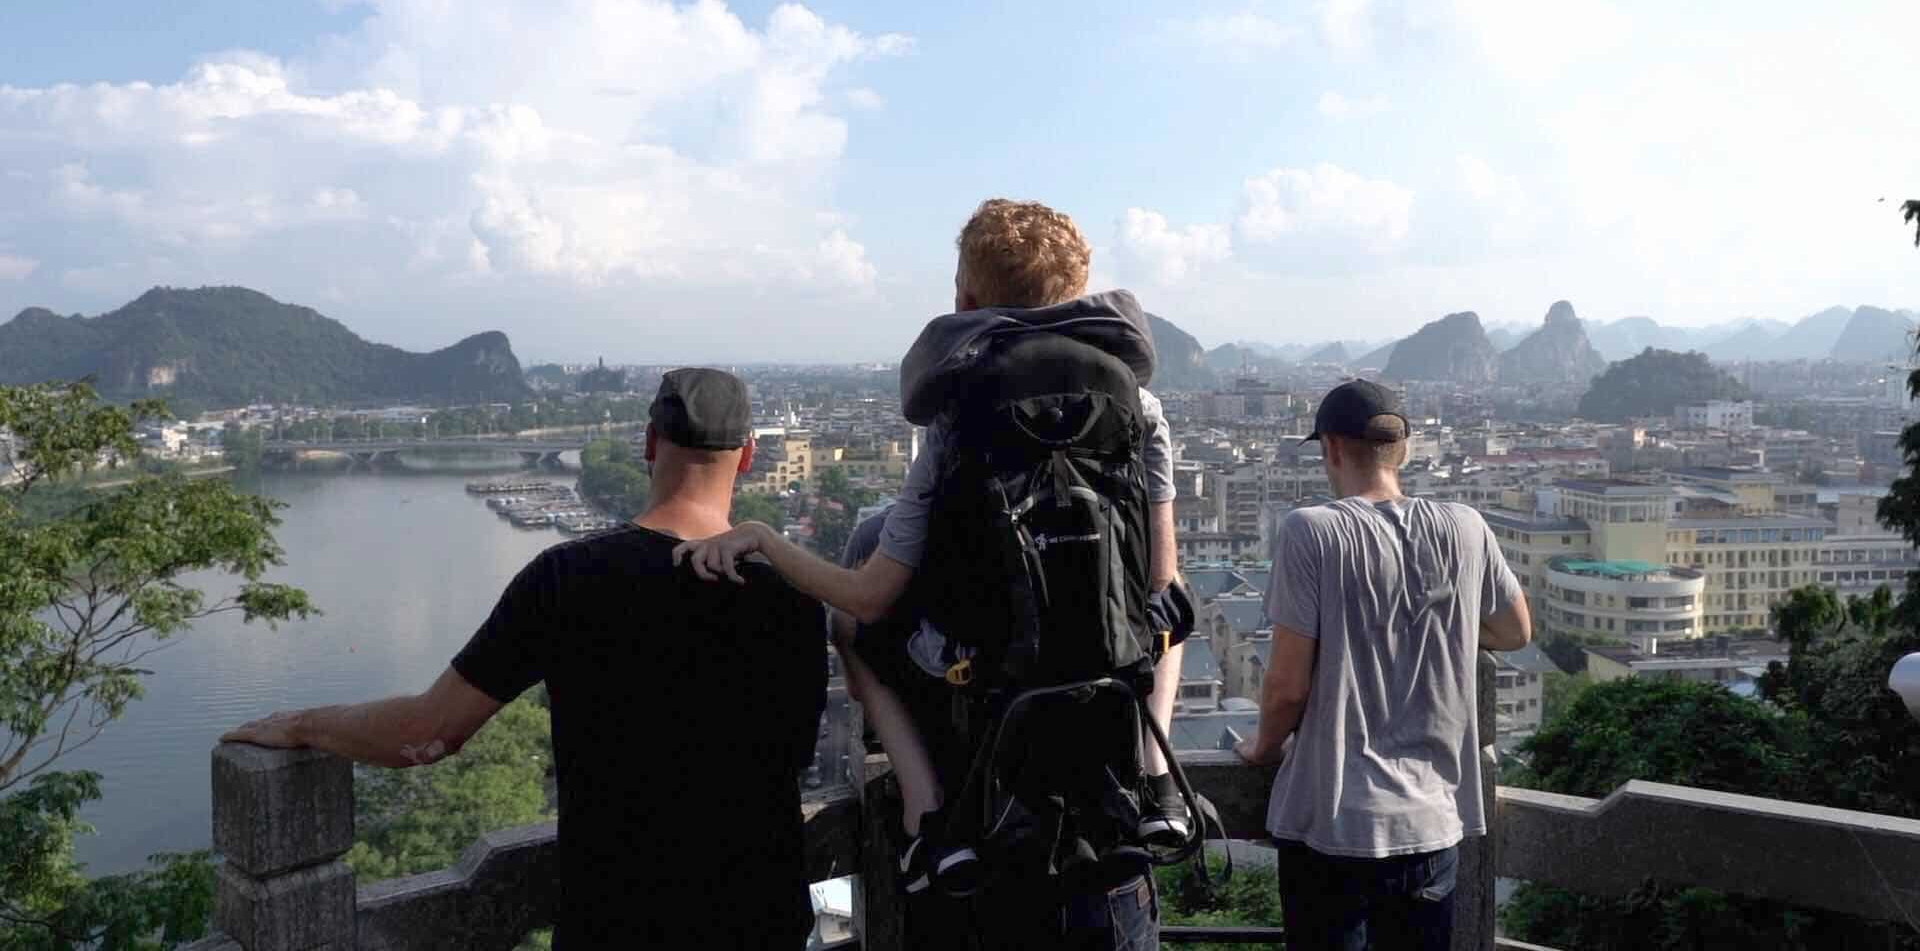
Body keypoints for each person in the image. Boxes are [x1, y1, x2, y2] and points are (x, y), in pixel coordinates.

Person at [677, 199, 1191, 949]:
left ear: (965, 302)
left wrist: (761, 538)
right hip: (1107, 809)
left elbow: (871, 595)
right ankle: (1157, 775)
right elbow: (1161, 580)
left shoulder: (956, 413)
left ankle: (923, 810)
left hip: (979, 804)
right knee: (1170, 611)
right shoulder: (1137, 405)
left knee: (856, 623)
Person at [224, 369, 827, 949]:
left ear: (648, 444)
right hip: (763, 917)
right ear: (748, 456)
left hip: (619, 925)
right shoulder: (796, 599)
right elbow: (794, 758)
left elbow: (426, 733)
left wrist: (307, 724)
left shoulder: (568, 579)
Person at [1233, 379, 1533, 951]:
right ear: (1405, 450)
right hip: (1432, 826)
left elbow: (1288, 687)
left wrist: (1263, 749)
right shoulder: (1465, 526)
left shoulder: (1311, 530)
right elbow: (1516, 631)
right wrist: (1442, 626)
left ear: (1331, 448)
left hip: (1336, 827)